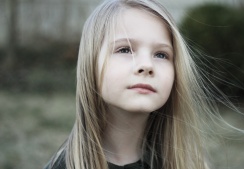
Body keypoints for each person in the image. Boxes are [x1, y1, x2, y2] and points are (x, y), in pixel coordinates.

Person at [45, 0, 223, 168]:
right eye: (125, 49)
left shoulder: (188, 164)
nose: (146, 65)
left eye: (161, 54)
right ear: (90, 64)